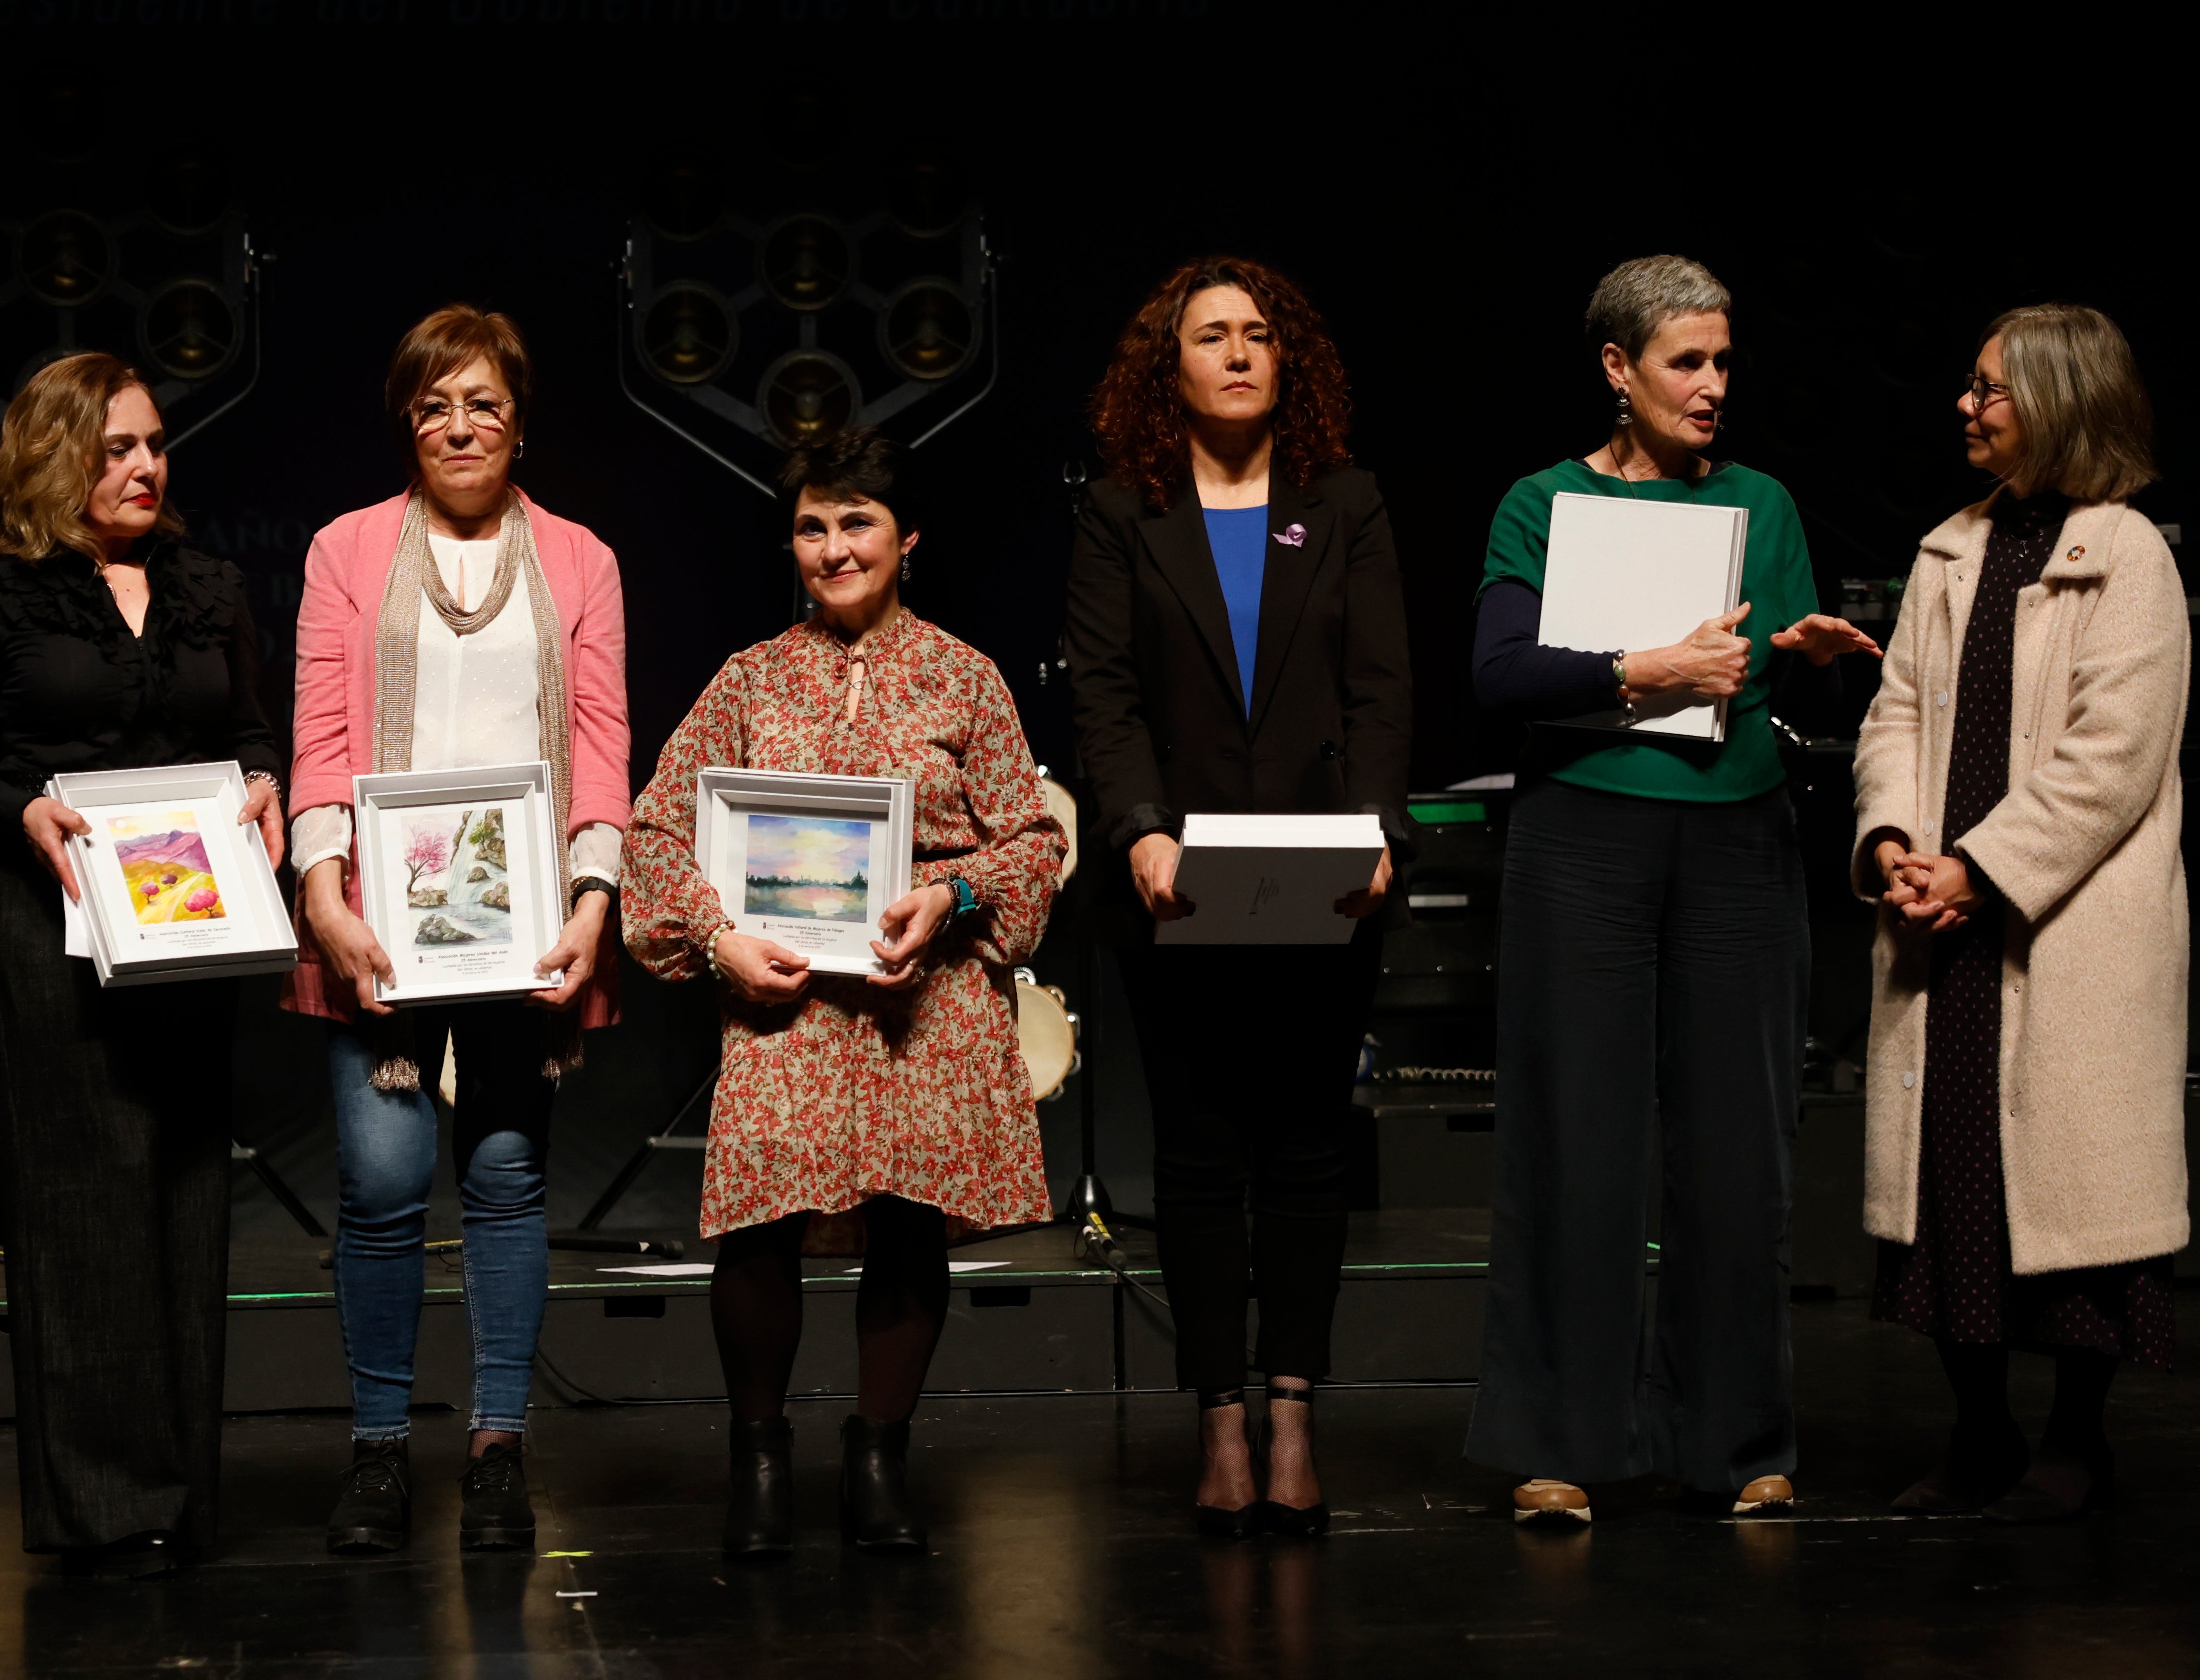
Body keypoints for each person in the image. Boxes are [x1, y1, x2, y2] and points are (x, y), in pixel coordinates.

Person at [1461, 255, 1878, 1525]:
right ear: (1618, 370)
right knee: (1577, 1140)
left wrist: (1805, 663)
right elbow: (1501, 675)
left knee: (1739, 1149)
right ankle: (1562, 1441)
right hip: (1584, 838)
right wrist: (1643, 668)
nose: (1711, 387)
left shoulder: (1763, 500)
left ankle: (1734, 1438)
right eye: (1685, 362)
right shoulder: (1543, 502)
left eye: (1722, 362)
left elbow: (1791, 682)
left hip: (1737, 843)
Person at [620, 428, 1064, 1557]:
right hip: (786, 999)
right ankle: (760, 1462)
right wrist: (715, 939)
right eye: (813, 527)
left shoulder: (966, 676)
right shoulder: (750, 678)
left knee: (909, 1226)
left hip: (927, 994)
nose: (834, 547)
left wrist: (954, 898)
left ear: (906, 537)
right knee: (760, 1226)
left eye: (857, 522)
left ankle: (879, 1458)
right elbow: (658, 830)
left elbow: (1028, 844)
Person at [0, 353, 286, 1575]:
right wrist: (19, 810)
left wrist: (265, 784)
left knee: (183, 1193)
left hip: (190, 927)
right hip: (54, 926)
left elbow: (243, 733)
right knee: (82, 1207)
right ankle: (98, 1505)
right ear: (56, 457)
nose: (144, 467)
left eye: (154, 444)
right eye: (115, 448)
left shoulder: (205, 584)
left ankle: (181, 1493)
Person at [1064, 255, 1408, 1539]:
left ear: (1288, 360)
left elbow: (1382, 686)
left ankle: (1297, 1410)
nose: (1240, 352)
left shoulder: (1348, 501)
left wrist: (1380, 828)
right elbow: (1103, 693)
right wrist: (1141, 831)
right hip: (1179, 884)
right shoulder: (1119, 512)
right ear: (1173, 366)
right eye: (1212, 336)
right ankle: (1218, 1418)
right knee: (1202, 1153)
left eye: (1260, 334)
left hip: (1328, 879)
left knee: (1309, 1148)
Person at [285, 305, 630, 1555]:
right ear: (407, 424)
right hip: (379, 924)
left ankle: (497, 1446)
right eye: (435, 405)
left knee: (501, 1176)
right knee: (379, 1186)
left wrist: (594, 900)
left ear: (520, 420)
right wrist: (324, 895)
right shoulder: (345, 550)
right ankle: (379, 1451)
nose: (460, 424)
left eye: (482, 402)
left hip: (525, 927)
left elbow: (601, 745)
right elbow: (320, 734)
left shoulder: (583, 559)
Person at [1854, 304, 2182, 1523]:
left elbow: (2116, 755)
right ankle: (1981, 1430)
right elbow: (1893, 715)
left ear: (2055, 400)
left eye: (1989, 387)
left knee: (2074, 1187)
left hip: (2061, 923)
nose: (1966, 405)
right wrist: (1893, 841)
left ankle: (2077, 1439)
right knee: (1952, 1183)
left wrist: (1981, 870)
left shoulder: (2129, 553)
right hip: (1942, 922)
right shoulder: (1951, 548)